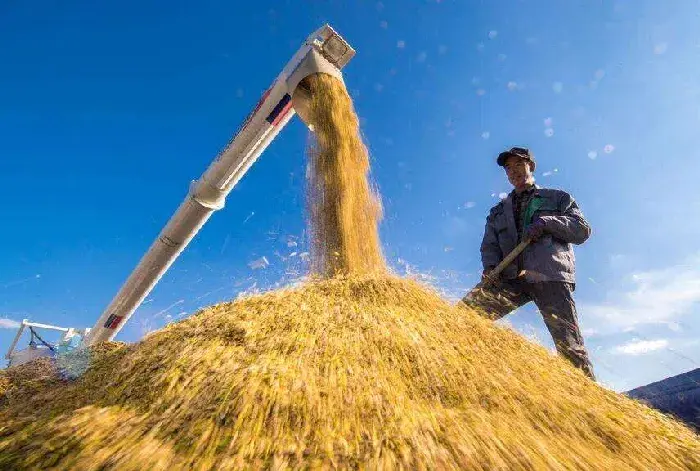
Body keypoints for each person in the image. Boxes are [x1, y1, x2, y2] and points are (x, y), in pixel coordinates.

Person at [460, 146, 596, 380]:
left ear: (530, 166)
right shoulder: (497, 212)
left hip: (549, 275)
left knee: (569, 344)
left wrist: (548, 222)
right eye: (508, 169)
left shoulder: (558, 198)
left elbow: (582, 230)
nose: (513, 172)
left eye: (518, 165)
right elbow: (489, 246)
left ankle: (590, 397)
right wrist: (491, 268)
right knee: (464, 316)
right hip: (510, 277)